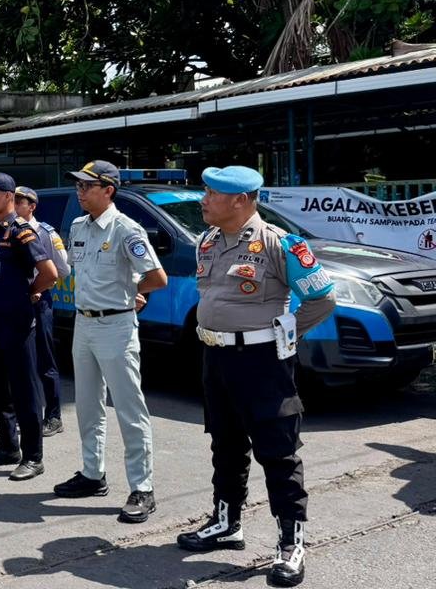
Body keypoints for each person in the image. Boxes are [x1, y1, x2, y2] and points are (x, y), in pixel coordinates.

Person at [175, 166, 335, 588]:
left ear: (240, 200)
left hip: (262, 361)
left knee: (278, 451)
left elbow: (322, 298)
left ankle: (291, 543)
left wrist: (285, 334)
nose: (203, 200)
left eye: (212, 194)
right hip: (216, 357)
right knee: (225, 442)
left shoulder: (280, 244)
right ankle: (227, 523)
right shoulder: (208, 241)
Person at [53, 160, 167, 524]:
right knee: (87, 406)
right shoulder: (78, 226)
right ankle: (92, 474)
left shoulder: (126, 229)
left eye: (87, 186)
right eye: (78, 185)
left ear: (108, 191)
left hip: (116, 326)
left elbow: (157, 277)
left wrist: (130, 292)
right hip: (83, 324)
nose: (80, 192)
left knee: (130, 410)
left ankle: (142, 488)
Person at [0, 173, 58, 480]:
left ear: (8, 197)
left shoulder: (21, 231)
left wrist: (30, 292)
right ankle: (8, 447)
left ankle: (33, 456)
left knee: (24, 389)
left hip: (17, 322)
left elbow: (49, 273)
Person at [14, 186, 71, 437]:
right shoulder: (9, 230)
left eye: (20, 202)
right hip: (15, 301)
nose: (15, 206)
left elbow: (63, 270)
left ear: (32, 206)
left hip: (39, 300)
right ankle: (27, 412)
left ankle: (54, 416)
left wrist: (39, 286)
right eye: (13, 201)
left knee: (45, 360)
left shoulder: (46, 233)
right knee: (20, 361)